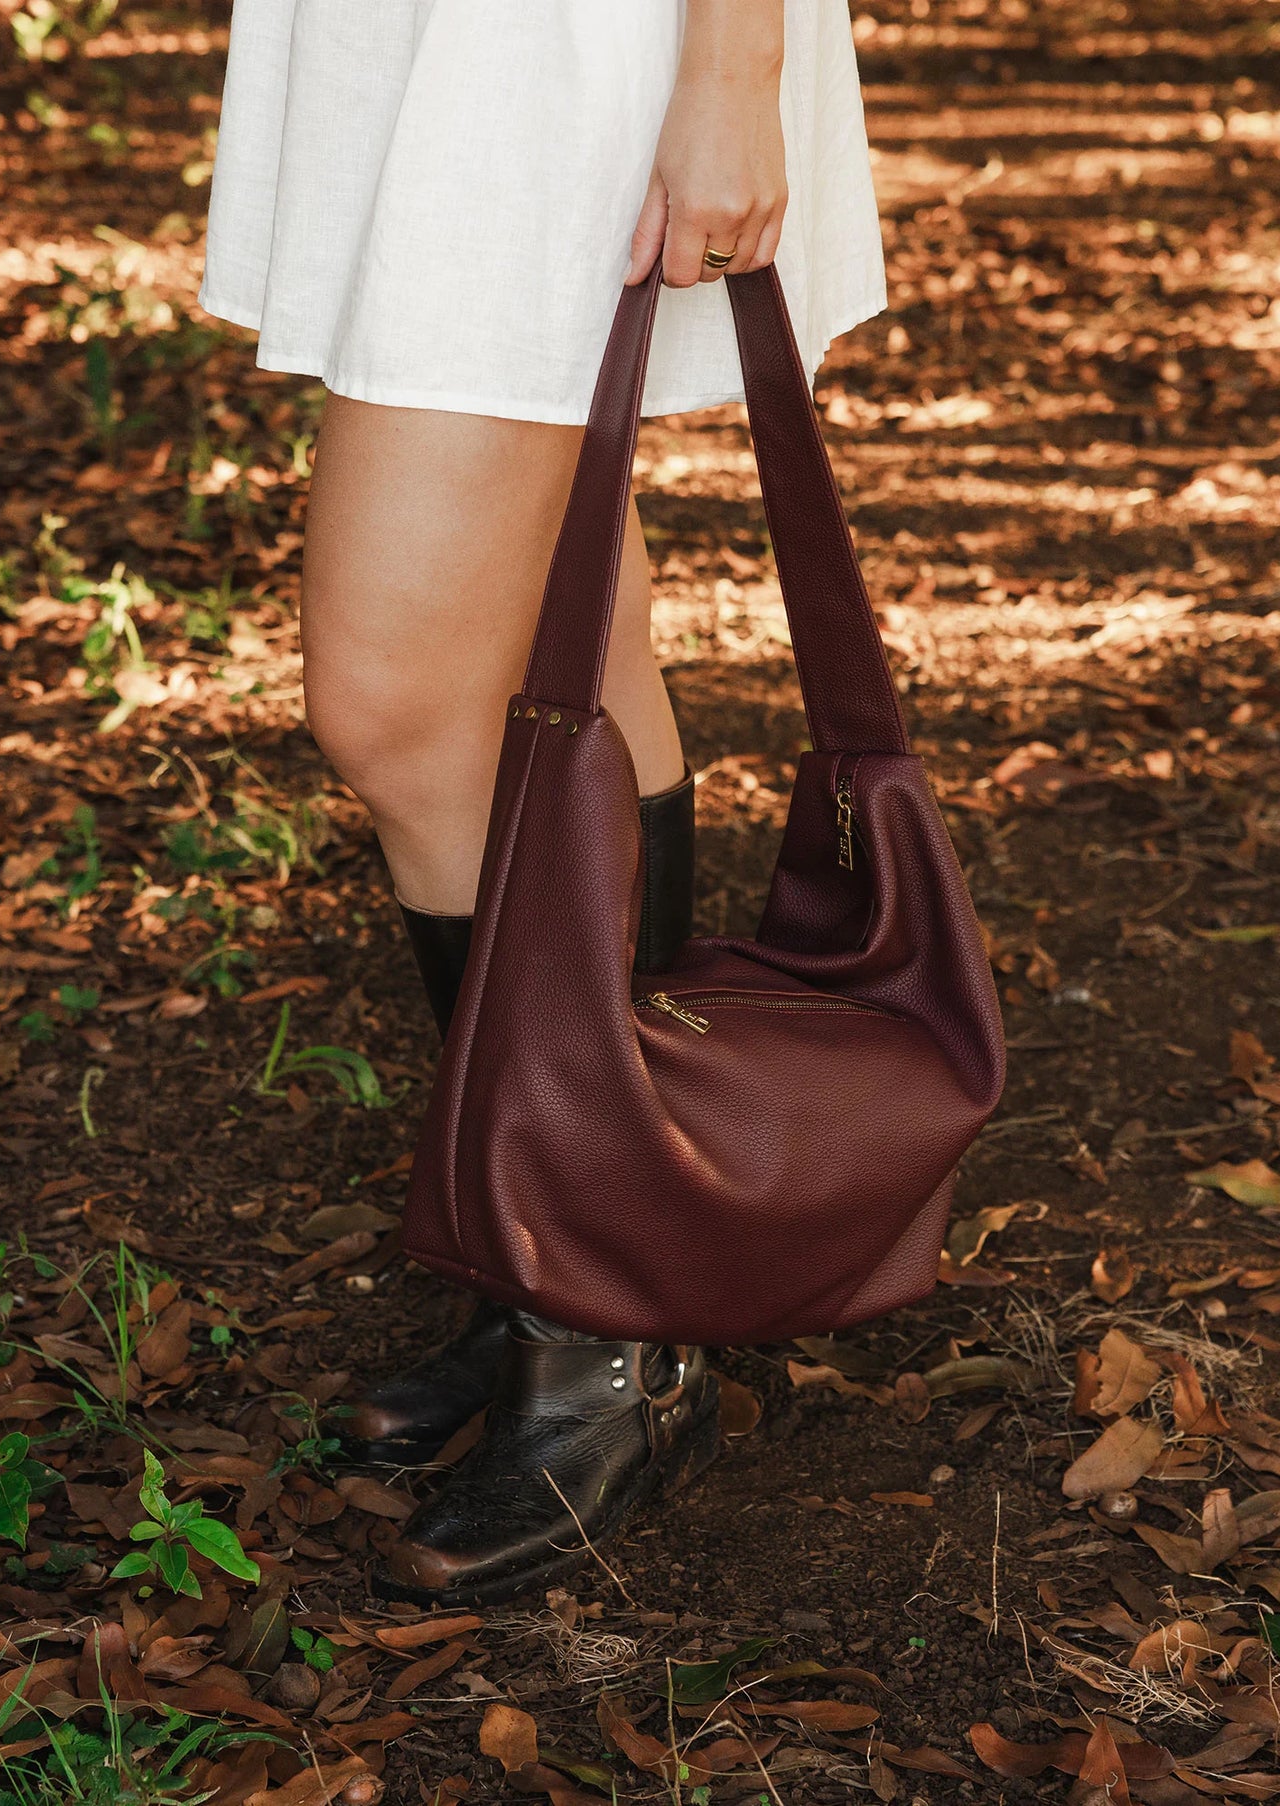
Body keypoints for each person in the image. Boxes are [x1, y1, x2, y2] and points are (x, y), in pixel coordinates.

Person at [195, 0, 887, 1607]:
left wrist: (730, 67)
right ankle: (573, 1266)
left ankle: (599, 1321)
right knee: (570, 636)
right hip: (433, 39)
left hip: (553, 47)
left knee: (396, 707)